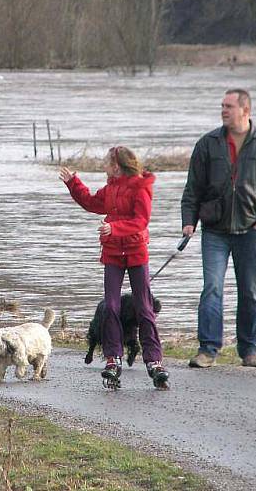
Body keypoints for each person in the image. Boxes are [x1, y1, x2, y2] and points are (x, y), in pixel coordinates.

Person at [181, 89, 256, 368]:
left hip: (251, 230)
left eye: (229, 106)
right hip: (214, 229)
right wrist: (188, 220)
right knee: (212, 288)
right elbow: (193, 188)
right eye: (222, 105)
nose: (223, 110)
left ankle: (249, 350)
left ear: (245, 110)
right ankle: (208, 350)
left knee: (251, 292)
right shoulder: (208, 143)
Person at [60, 146, 169, 390]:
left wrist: (115, 228)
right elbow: (90, 202)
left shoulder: (141, 187)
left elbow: (141, 220)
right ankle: (113, 357)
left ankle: (154, 360)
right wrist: (73, 183)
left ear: (116, 165)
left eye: (106, 162)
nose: (103, 165)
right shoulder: (111, 188)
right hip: (112, 253)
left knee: (144, 307)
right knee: (110, 305)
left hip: (136, 251)